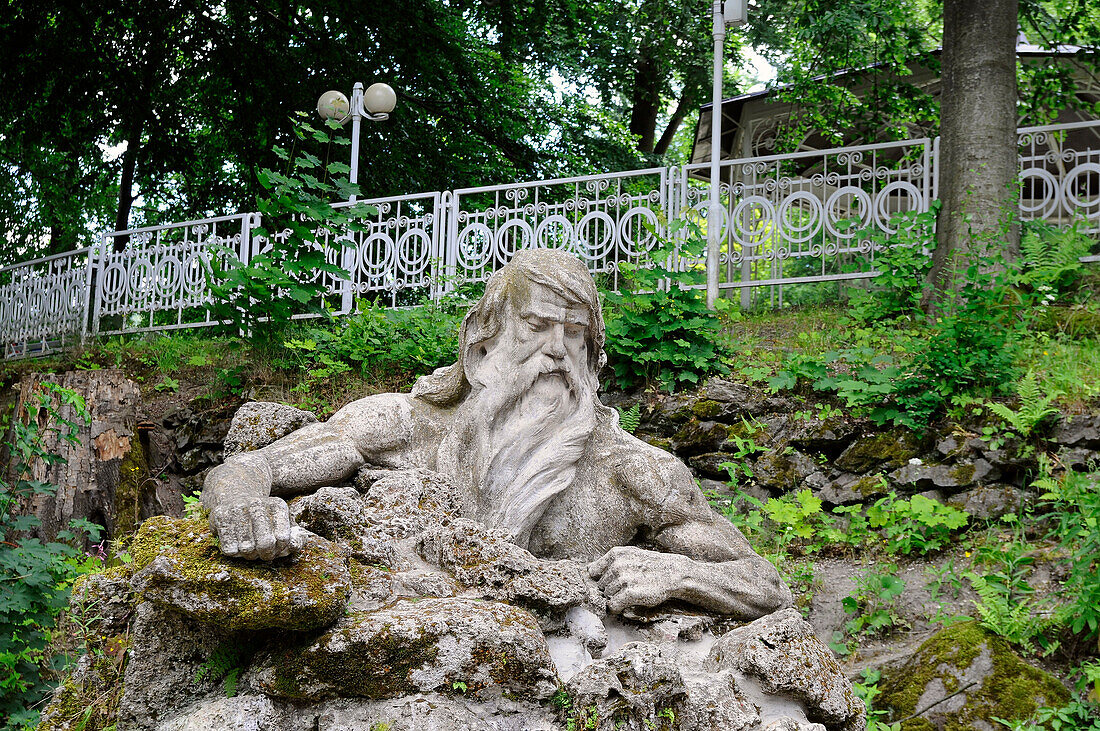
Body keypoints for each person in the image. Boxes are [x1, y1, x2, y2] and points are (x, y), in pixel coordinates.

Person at [202, 249, 792, 619]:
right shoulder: (405, 425)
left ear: (592, 359)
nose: (556, 352)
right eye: (536, 327)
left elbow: (764, 583)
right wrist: (239, 507)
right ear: (482, 347)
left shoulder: (635, 472)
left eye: (576, 336)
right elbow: (253, 469)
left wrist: (681, 575)